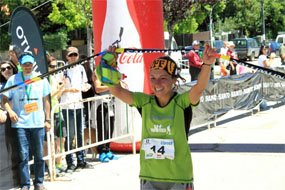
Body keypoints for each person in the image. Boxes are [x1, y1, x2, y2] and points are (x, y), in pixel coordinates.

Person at [102, 44, 216, 190]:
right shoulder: (144, 102)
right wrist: (110, 64)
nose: (157, 84)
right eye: (153, 78)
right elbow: (117, 91)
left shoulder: (181, 103)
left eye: (163, 78)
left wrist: (207, 64)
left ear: (174, 79)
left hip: (179, 177)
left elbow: (199, 88)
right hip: (149, 176)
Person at [2, 53, 51, 190]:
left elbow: (47, 100)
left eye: (29, 63)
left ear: (33, 63)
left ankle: (39, 182)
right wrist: (10, 112)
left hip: (38, 123)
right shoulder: (13, 79)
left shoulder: (41, 79)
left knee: (39, 155)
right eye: (24, 64)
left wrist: (47, 119)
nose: (27, 66)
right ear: (20, 64)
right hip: (21, 124)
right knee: (23, 156)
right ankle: (25, 184)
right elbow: (4, 100)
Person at [60, 47, 93, 173]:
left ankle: (81, 160)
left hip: (79, 104)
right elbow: (58, 88)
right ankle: (70, 162)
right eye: (71, 54)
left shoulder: (80, 68)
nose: (73, 56)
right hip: (67, 105)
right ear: (67, 56)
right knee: (70, 134)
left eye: (75, 54)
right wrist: (70, 89)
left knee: (80, 133)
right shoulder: (62, 70)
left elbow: (85, 83)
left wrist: (87, 86)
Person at [44, 56, 67, 175]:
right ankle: (52, 167)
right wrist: (60, 89)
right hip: (48, 112)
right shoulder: (45, 78)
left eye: (55, 66)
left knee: (61, 139)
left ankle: (59, 163)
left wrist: (61, 88)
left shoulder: (53, 77)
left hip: (57, 110)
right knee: (48, 142)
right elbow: (48, 96)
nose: (54, 68)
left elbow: (56, 96)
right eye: (51, 66)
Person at [91, 70, 118, 162]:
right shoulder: (97, 71)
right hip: (101, 103)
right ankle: (102, 151)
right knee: (102, 128)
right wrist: (111, 87)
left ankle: (107, 149)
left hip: (110, 102)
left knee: (110, 127)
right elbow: (97, 88)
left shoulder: (111, 72)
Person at [0, 60, 19, 189]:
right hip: (4, 121)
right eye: (3, 69)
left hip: (19, 120)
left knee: (18, 151)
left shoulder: (19, 81)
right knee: (5, 152)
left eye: (9, 67)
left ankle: (18, 180)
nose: (7, 70)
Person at [257, 45, 273, 111]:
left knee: (263, 90)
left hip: (263, 75)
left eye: (267, 49)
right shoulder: (262, 57)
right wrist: (271, 58)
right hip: (262, 75)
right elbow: (267, 65)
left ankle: (263, 105)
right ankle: (263, 106)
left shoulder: (263, 56)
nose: (266, 50)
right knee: (263, 90)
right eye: (264, 49)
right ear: (261, 50)